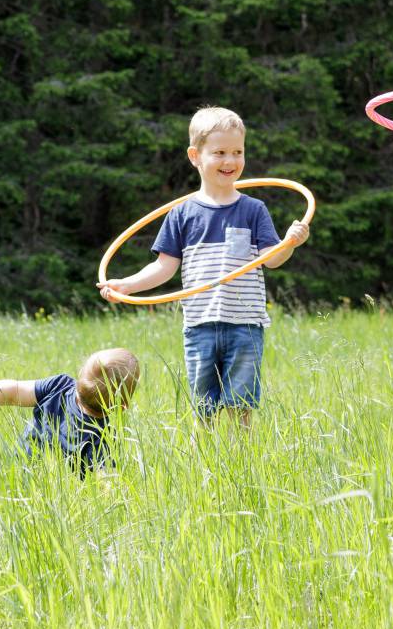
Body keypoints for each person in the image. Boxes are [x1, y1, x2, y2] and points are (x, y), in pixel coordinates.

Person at [98, 107, 309, 427]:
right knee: (203, 406)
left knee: (242, 404)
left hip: (246, 324)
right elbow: (163, 267)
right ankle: (204, 461)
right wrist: (126, 285)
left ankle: (244, 459)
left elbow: (273, 259)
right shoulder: (182, 214)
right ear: (195, 156)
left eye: (238, 152)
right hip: (199, 325)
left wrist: (289, 243)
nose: (230, 161)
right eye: (220, 152)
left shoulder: (254, 210)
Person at [0, 347, 142, 472]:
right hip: (51, 499)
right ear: (122, 405)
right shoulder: (102, 437)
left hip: (16, 471)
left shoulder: (59, 386)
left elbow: (13, 391)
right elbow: (106, 483)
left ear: (80, 377)